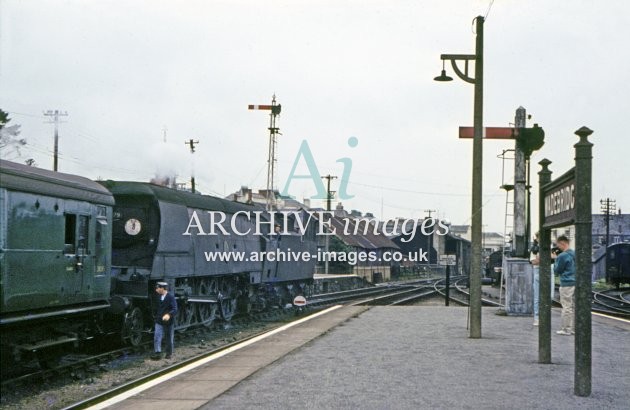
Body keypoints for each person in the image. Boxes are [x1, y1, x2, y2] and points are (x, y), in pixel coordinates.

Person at [552, 235, 575, 335]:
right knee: (573, 306)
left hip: (566, 283)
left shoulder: (562, 256)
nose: (558, 248)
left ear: (562, 243)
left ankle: (566, 329)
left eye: (558, 245)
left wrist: (555, 259)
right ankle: (573, 329)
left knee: (566, 306)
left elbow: (557, 271)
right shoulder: (574, 253)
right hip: (575, 282)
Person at [531, 233, 555, 326]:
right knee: (537, 296)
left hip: (550, 269)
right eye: (539, 238)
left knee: (550, 296)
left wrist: (540, 258)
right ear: (536, 239)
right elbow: (533, 262)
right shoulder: (534, 249)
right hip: (538, 270)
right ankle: (537, 318)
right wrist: (546, 258)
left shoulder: (551, 246)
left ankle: (545, 316)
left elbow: (554, 257)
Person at [152, 281, 178, 359]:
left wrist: (169, 314)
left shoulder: (170, 297)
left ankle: (169, 353)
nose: (156, 289)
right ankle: (157, 353)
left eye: (158, 288)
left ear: (162, 288)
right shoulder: (158, 296)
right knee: (157, 336)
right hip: (159, 320)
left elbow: (175, 309)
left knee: (169, 337)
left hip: (168, 321)